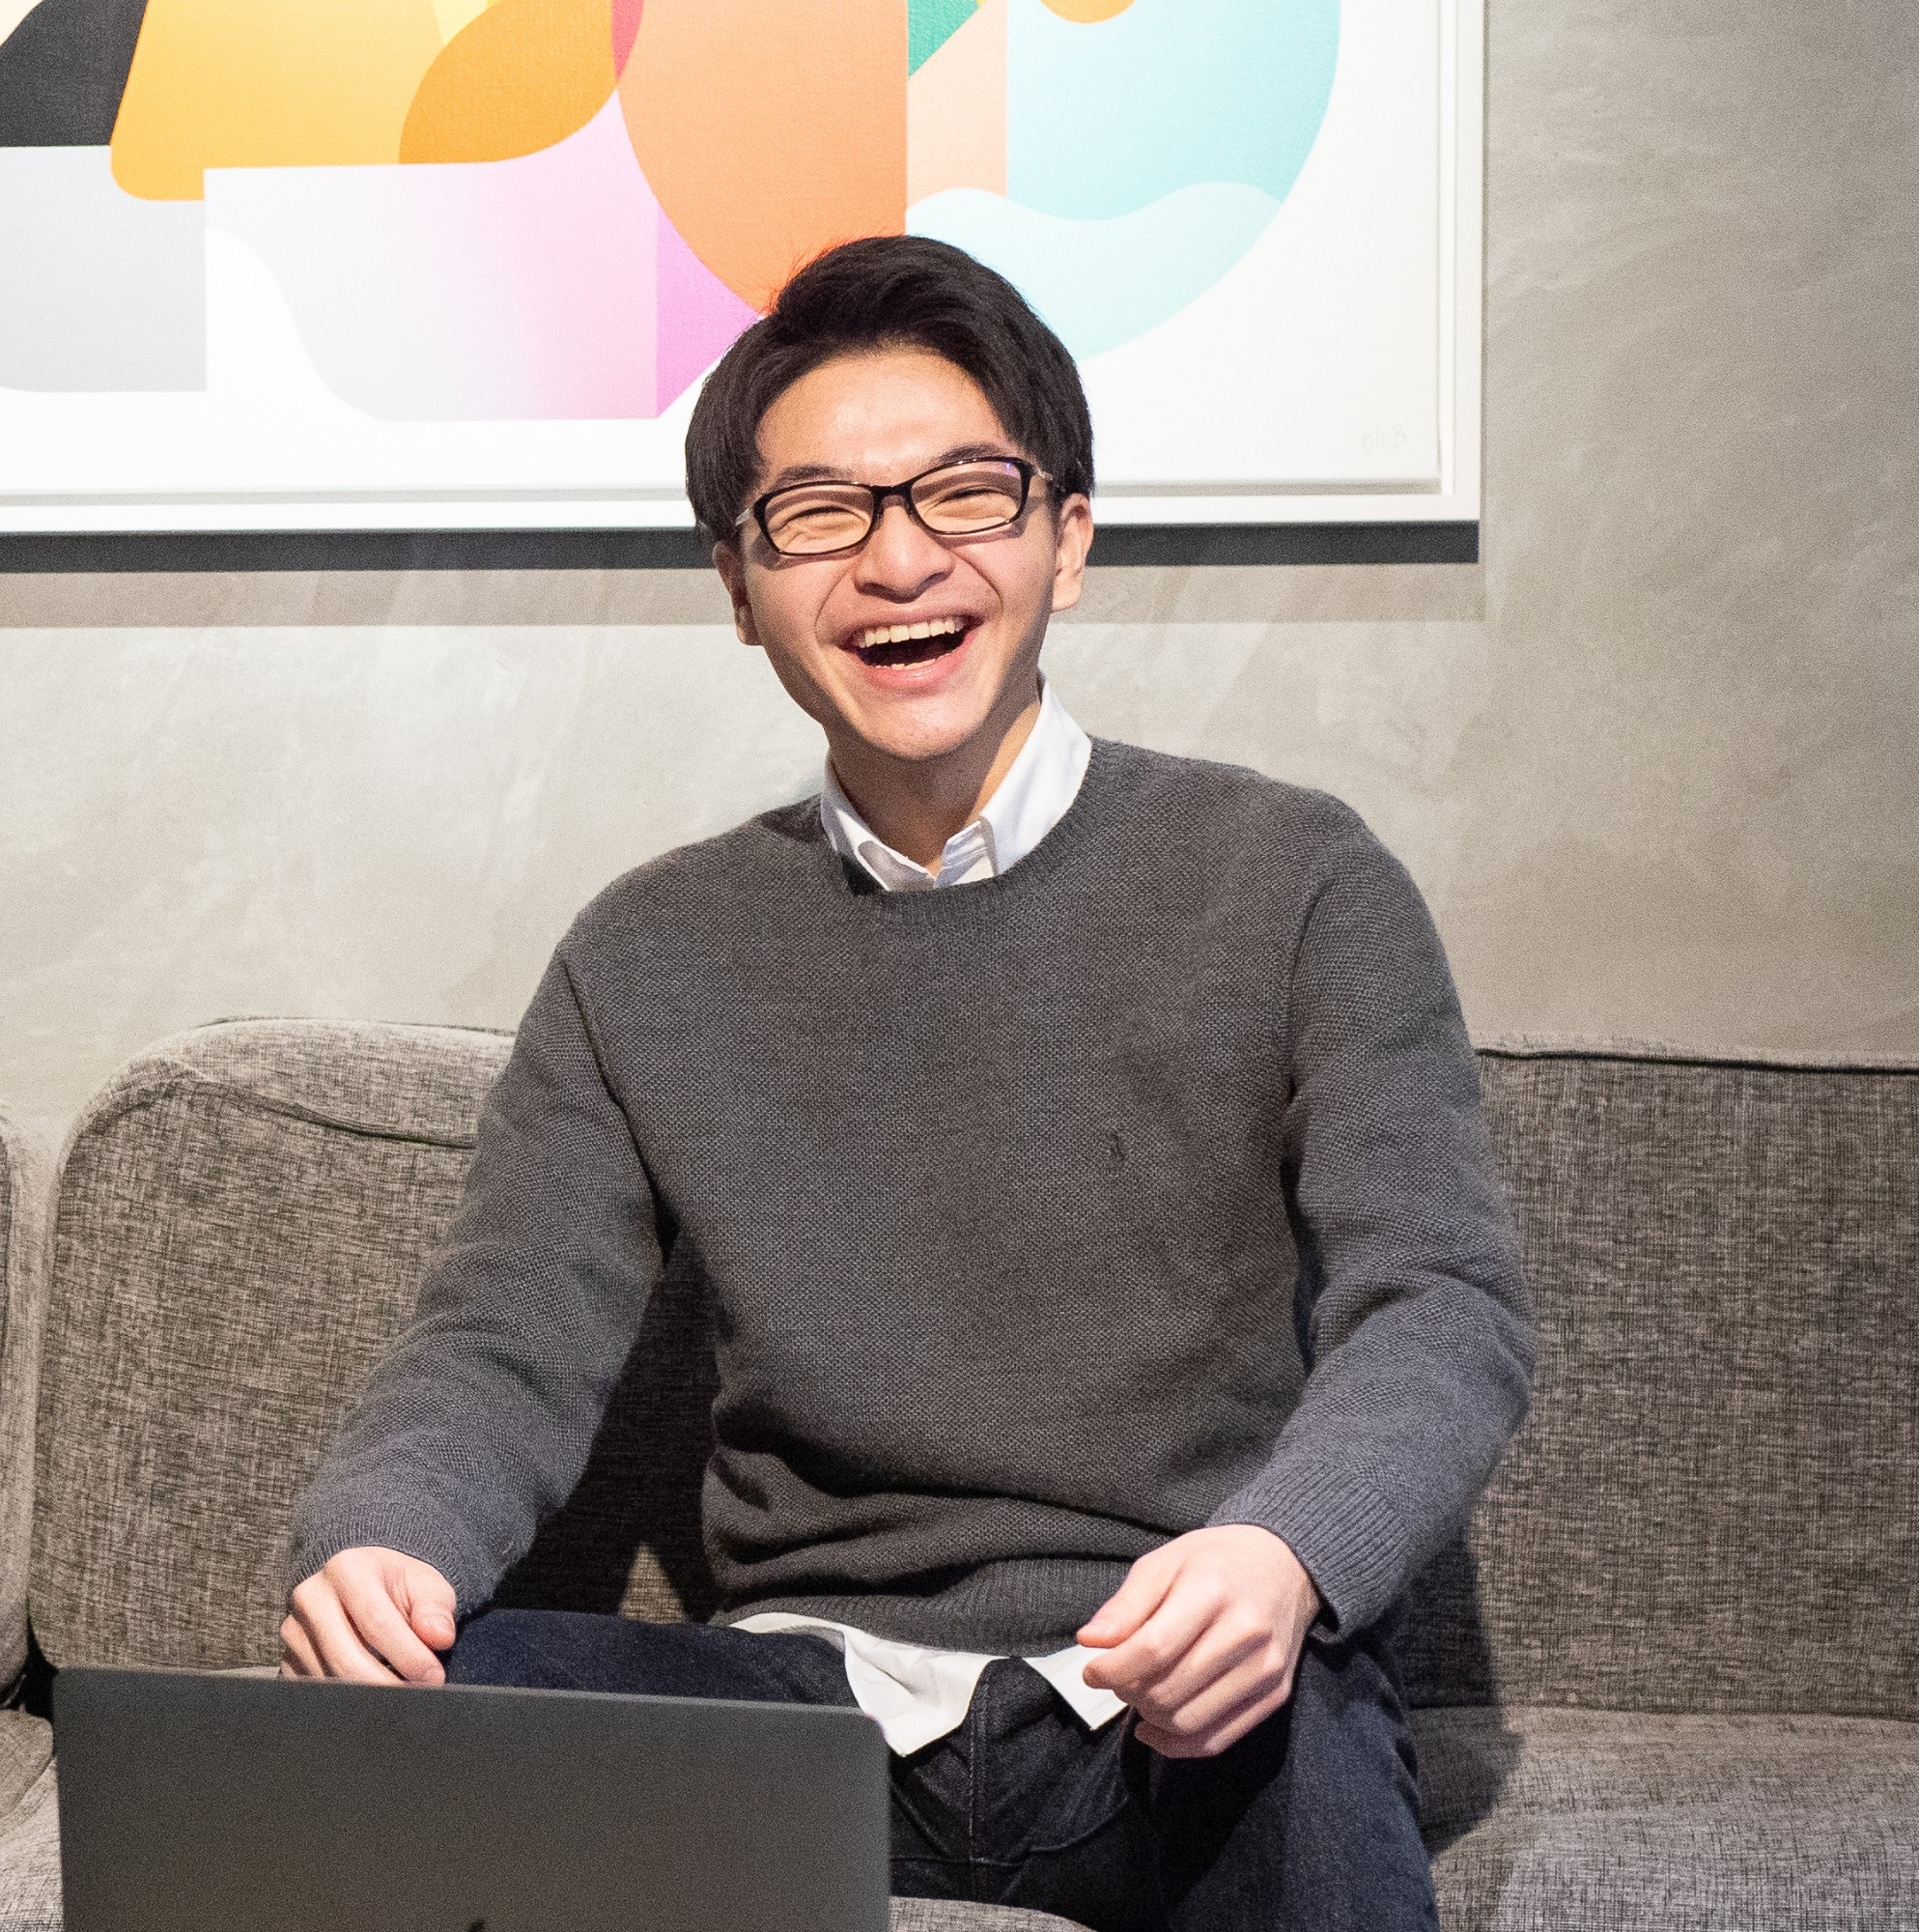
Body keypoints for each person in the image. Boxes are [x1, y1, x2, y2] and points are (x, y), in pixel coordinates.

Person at [280, 236, 1535, 1931]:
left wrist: (1287, 1555)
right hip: (801, 1714)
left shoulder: (1299, 880)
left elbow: (1443, 1304)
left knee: (1309, 1732)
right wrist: (381, 1543)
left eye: (963, 492)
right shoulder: (645, 954)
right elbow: (502, 1340)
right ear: (741, 588)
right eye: (818, 513)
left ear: (1067, 536)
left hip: (1183, 1687)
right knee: (385, 1724)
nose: (896, 559)